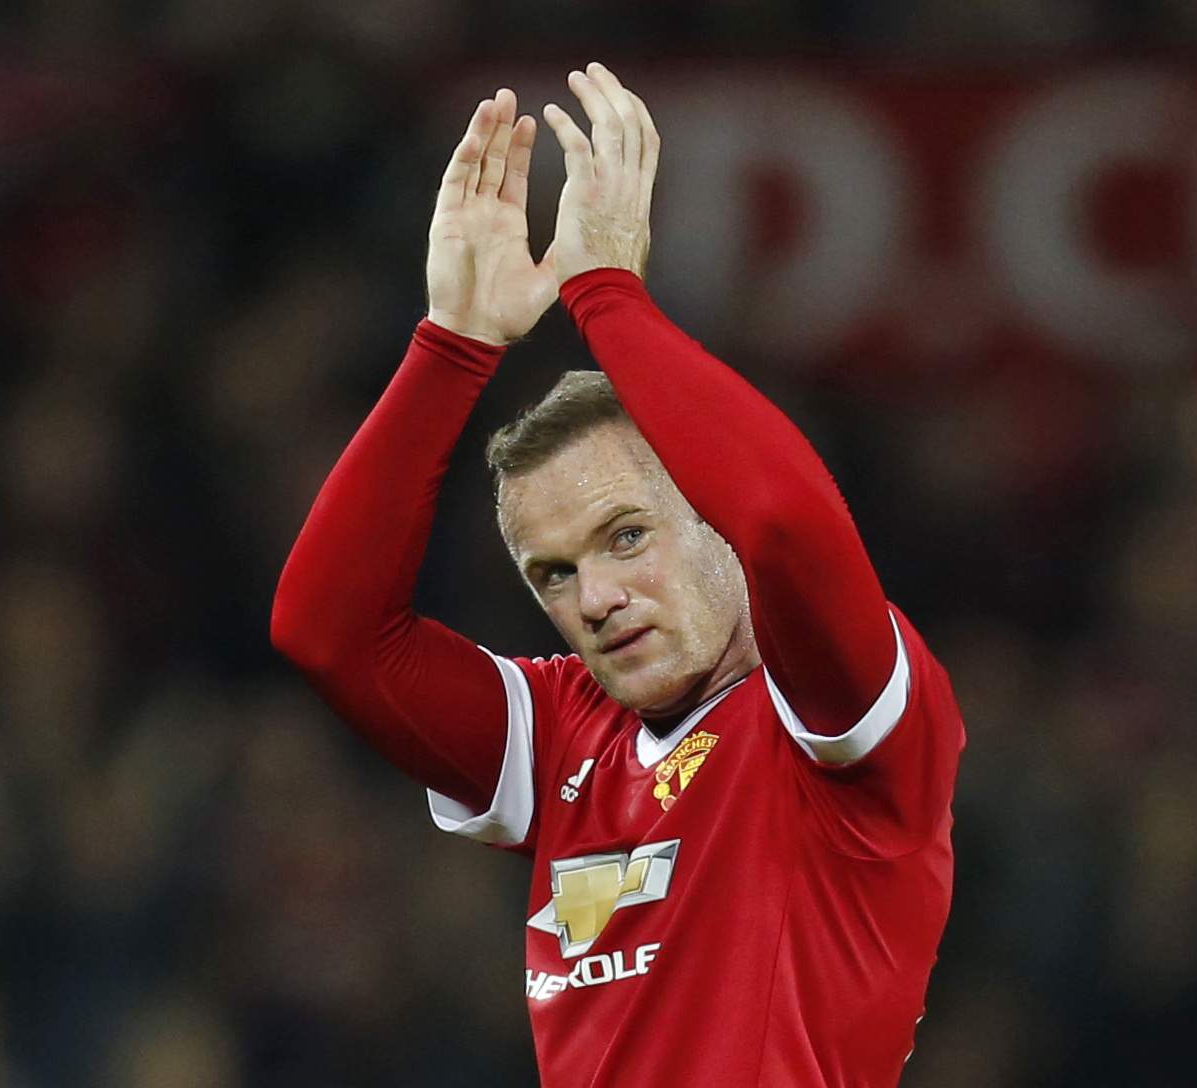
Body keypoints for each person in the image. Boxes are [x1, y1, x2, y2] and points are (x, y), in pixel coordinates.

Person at [271, 62, 966, 1087]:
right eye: (553, 571)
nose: (592, 598)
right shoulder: (560, 731)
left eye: (627, 535)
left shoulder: (836, 712)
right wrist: (451, 346)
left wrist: (606, 292)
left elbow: (782, 522)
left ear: (711, 515)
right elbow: (325, 632)